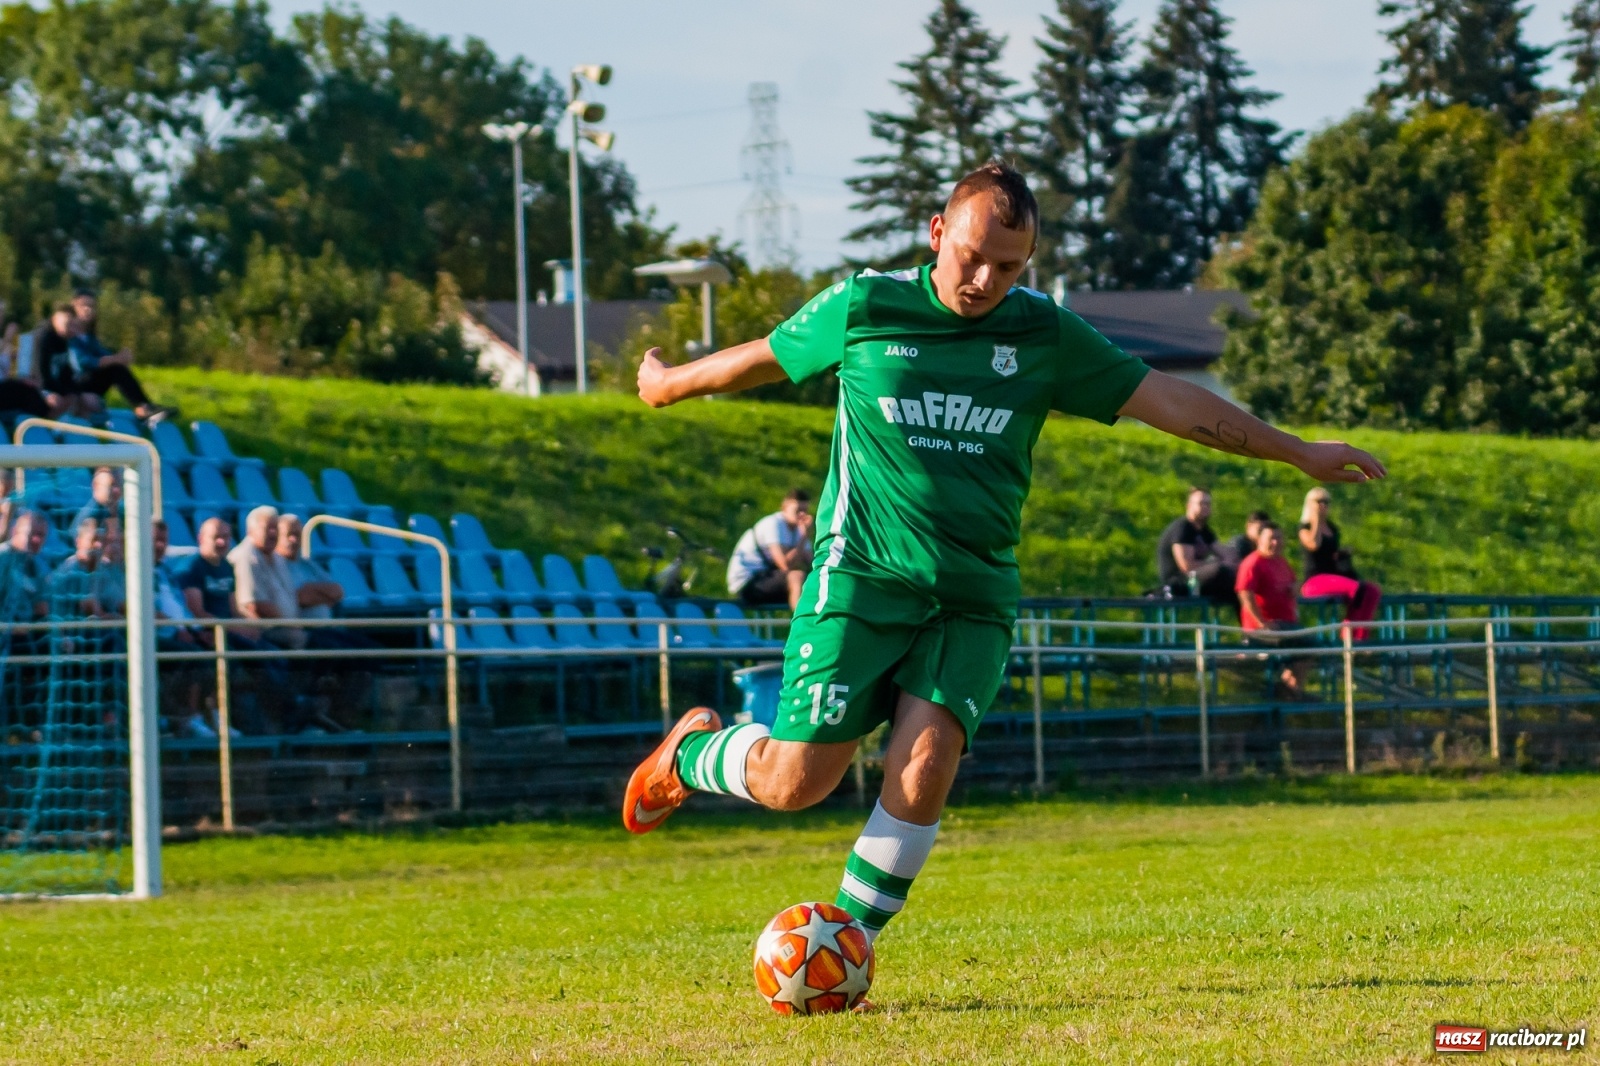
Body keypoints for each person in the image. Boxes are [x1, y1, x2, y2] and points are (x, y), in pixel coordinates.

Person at [623, 159, 1387, 956]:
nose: (985, 278)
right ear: (937, 234)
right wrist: (669, 383)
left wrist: (1297, 452)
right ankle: (689, 754)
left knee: (925, 769)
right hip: (862, 580)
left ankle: (844, 947)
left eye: (1009, 266)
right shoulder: (867, 305)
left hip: (973, 596)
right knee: (795, 782)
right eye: (972, 256)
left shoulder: (1043, 334)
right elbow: (764, 356)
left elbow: (1171, 401)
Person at [275, 513, 379, 650]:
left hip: (327, 628)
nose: (294, 540)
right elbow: (299, 598)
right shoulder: (276, 565)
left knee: (371, 648)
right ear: (277, 536)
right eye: (289, 535)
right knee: (349, 653)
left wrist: (311, 592)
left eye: (297, 535)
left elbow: (337, 591)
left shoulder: (307, 564)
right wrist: (321, 595)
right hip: (304, 631)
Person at [1235, 521, 1310, 697]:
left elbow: (1292, 586)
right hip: (1265, 629)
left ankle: (1288, 691)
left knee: (1312, 647)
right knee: (1309, 644)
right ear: (1259, 540)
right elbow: (1245, 593)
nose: (1276, 542)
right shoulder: (1253, 563)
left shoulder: (1281, 562)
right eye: (1271, 538)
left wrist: (1294, 588)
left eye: (1279, 538)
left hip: (1285, 625)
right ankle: (1290, 693)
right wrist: (1262, 624)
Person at [1298, 487, 1382, 639]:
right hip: (1314, 581)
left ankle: (1361, 637)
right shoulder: (1305, 527)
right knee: (1356, 589)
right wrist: (1316, 518)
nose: (1323, 505)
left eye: (1326, 502)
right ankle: (1348, 635)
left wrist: (1342, 556)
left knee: (1371, 591)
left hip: (1332, 577)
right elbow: (1314, 544)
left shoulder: (1332, 528)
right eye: (1319, 502)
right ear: (1309, 504)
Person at [230, 505, 307, 651]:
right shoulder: (246, 557)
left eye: (275, 528)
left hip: (289, 625)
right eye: (267, 528)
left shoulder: (277, 557)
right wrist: (291, 624)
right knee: (304, 640)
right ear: (250, 531)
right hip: (263, 629)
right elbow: (255, 605)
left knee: (336, 638)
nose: (273, 533)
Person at [726, 489, 815, 610]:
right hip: (748, 584)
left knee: (816, 581)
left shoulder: (799, 529)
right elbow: (785, 566)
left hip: (768, 580)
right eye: (798, 510)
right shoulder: (773, 524)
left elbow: (813, 564)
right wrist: (804, 536)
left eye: (805, 511)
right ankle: (801, 625)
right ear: (785, 507)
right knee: (796, 576)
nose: (802, 515)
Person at [1154, 487, 1234, 603]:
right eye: (1201, 503)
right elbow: (1187, 566)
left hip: (1198, 580)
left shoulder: (1204, 531)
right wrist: (1216, 564)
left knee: (1236, 577)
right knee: (1221, 569)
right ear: (1189, 506)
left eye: (1208, 504)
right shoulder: (1182, 529)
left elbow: (1227, 554)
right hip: (1178, 582)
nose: (1206, 507)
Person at [0, 511, 50, 622]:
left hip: (25, 633)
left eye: (41, 535)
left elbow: (41, 607)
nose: (37, 540)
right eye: (32, 533)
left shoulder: (38, 565)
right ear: (14, 532)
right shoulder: (2, 557)